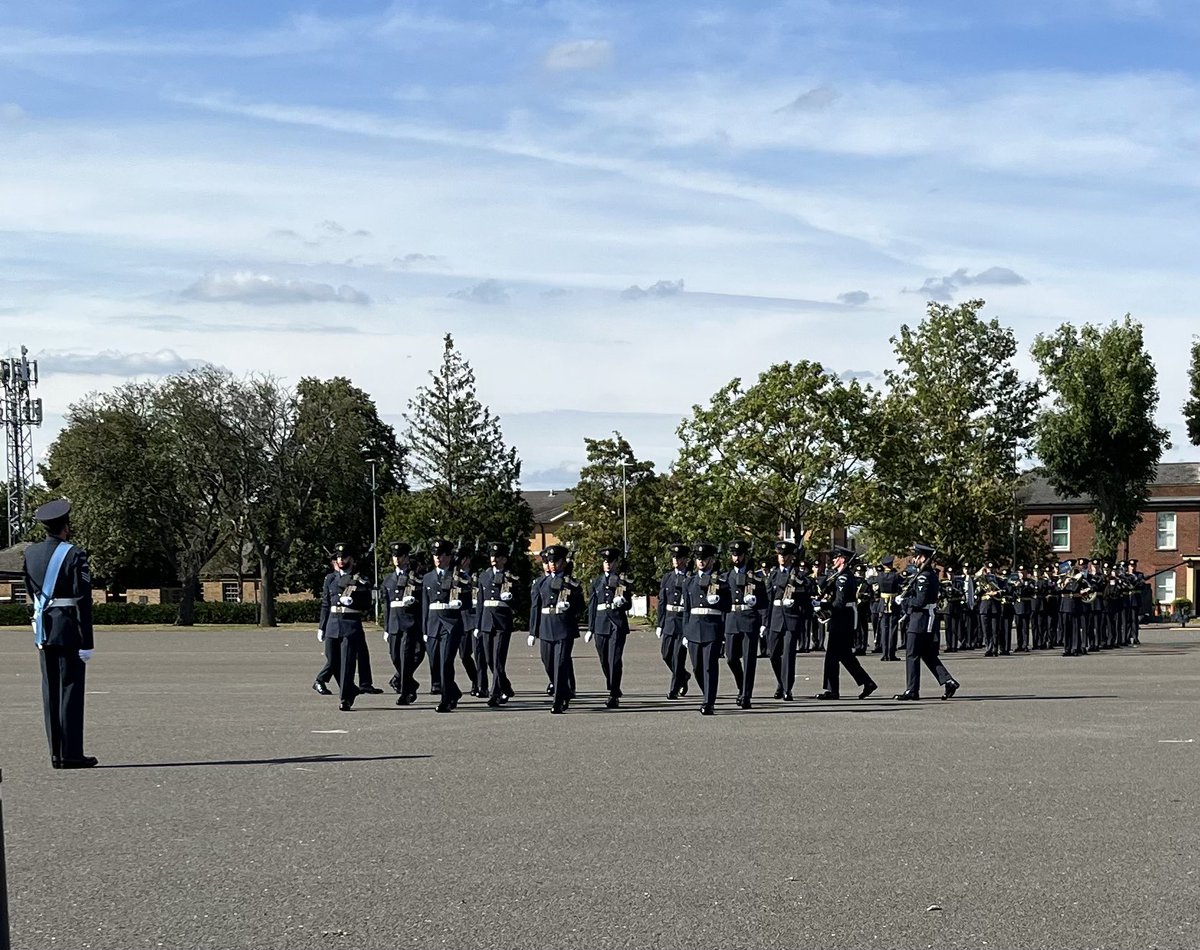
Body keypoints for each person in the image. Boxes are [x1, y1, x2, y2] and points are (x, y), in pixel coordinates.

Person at [24, 498, 97, 769]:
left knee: (50, 690)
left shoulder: (30, 554)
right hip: (68, 630)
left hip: (44, 629)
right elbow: (82, 600)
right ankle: (72, 754)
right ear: (65, 527)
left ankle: (55, 752)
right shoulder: (74, 554)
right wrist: (87, 641)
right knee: (71, 689)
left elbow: (31, 591)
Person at [894, 542, 960, 701]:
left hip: (921, 619)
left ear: (922, 557)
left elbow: (920, 601)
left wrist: (904, 601)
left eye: (916, 556)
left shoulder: (924, 576)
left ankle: (912, 690)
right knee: (927, 654)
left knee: (912, 654)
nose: (913, 560)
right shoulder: (925, 574)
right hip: (923, 619)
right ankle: (948, 680)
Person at [813, 546, 877, 700]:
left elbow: (840, 603)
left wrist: (821, 605)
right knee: (845, 656)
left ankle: (832, 690)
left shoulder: (843, 578)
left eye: (836, 557)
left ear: (842, 559)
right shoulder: (840, 575)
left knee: (832, 656)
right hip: (843, 618)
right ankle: (867, 682)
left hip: (843, 619)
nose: (833, 560)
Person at [315, 542, 373, 711]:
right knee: (332, 661)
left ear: (352, 559)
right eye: (339, 557)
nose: (341, 560)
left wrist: (353, 601)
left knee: (347, 663)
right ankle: (351, 689)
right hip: (333, 624)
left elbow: (367, 604)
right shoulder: (330, 579)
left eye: (344, 557)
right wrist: (322, 626)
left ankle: (345, 698)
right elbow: (326, 603)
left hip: (350, 624)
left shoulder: (360, 579)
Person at [529, 544, 584, 714]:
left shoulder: (571, 583)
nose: (553, 564)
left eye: (556, 560)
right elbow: (535, 607)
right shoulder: (541, 583)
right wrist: (533, 631)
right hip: (546, 626)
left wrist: (570, 604)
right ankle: (563, 689)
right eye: (550, 561)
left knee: (560, 663)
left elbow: (581, 607)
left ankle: (558, 700)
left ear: (563, 562)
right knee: (548, 662)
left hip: (563, 627)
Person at [422, 538, 473, 712]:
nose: (438, 558)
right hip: (433, 623)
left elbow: (467, 599)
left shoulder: (458, 576)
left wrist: (460, 604)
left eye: (442, 554)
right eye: (435, 554)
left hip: (451, 623)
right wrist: (424, 628)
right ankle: (454, 691)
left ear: (449, 556)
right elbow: (424, 605)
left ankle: (446, 699)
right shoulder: (428, 577)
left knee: (445, 661)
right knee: (435, 662)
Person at [683, 542, 729, 715]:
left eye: (704, 558)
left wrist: (720, 601)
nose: (701, 562)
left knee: (710, 666)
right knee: (697, 668)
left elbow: (728, 606)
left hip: (712, 627)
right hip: (694, 628)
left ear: (711, 559)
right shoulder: (689, 582)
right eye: (698, 559)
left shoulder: (721, 581)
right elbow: (687, 610)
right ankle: (707, 693)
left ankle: (709, 701)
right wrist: (685, 632)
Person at [722, 540, 766, 709]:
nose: (736, 558)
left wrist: (757, 602)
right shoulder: (725, 577)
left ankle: (746, 695)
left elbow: (764, 601)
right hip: (732, 619)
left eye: (739, 555)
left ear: (745, 555)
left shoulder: (755, 577)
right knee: (731, 658)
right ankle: (742, 685)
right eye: (734, 555)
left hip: (749, 619)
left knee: (749, 660)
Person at [587, 546, 632, 709]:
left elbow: (627, 602)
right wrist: (590, 627)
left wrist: (622, 601)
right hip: (600, 623)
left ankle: (613, 693)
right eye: (605, 561)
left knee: (614, 659)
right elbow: (592, 605)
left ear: (616, 562)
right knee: (604, 660)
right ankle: (612, 686)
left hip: (616, 624)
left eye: (610, 561)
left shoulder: (621, 579)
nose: (607, 564)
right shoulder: (596, 581)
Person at [475, 541, 518, 708]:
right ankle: (506, 686)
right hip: (486, 621)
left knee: (498, 659)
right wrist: (478, 624)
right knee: (489, 660)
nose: (494, 558)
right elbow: (480, 602)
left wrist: (511, 598)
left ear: (504, 559)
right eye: (492, 555)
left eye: (497, 556)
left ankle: (495, 694)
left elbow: (518, 601)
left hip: (502, 621)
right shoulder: (484, 576)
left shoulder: (510, 576)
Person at [381, 542, 423, 705]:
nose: (396, 559)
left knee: (406, 658)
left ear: (406, 557)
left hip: (409, 623)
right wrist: (386, 627)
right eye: (394, 556)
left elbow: (423, 598)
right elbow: (387, 605)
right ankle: (411, 683)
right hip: (393, 623)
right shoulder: (389, 580)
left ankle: (405, 693)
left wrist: (415, 600)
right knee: (395, 657)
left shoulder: (415, 577)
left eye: (400, 556)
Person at [763, 540, 805, 700]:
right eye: (780, 554)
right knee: (772, 653)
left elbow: (806, 592)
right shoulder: (773, 574)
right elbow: (768, 599)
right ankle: (781, 682)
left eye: (785, 555)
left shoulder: (798, 575)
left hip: (791, 617)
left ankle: (787, 688)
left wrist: (796, 600)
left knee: (788, 654)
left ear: (791, 557)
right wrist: (764, 622)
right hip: (775, 617)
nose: (782, 558)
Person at [656, 543, 693, 699]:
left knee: (678, 657)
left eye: (679, 558)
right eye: (674, 558)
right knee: (666, 655)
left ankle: (674, 689)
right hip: (670, 620)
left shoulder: (690, 577)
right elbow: (662, 601)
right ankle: (683, 676)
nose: (676, 561)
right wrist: (660, 623)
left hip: (683, 621)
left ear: (685, 559)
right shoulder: (667, 577)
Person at [875, 555, 901, 661]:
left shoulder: (880, 576)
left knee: (884, 629)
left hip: (883, 603)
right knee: (893, 629)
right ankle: (891, 653)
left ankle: (885, 653)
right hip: (893, 602)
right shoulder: (895, 576)